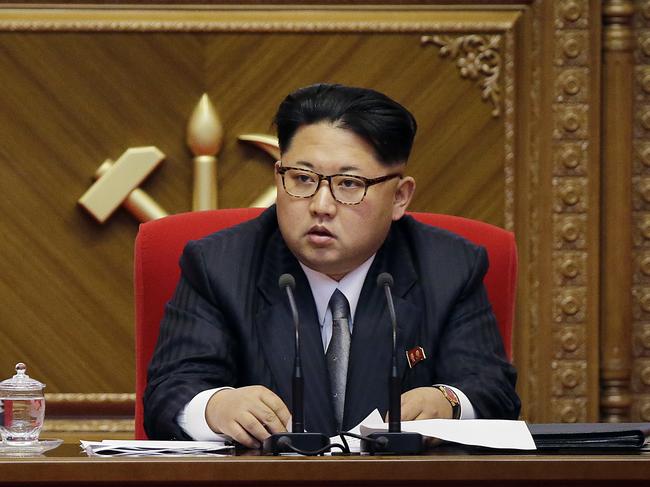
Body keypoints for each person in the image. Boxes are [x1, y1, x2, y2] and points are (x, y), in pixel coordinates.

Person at [144, 83, 520, 447]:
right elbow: (170, 392)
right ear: (279, 176)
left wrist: (448, 403)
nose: (321, 205)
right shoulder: (219, 265)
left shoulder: (450, 267)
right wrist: (216, 407)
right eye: (303, 179)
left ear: (400, 197)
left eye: (349, 184)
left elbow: (493, 391)